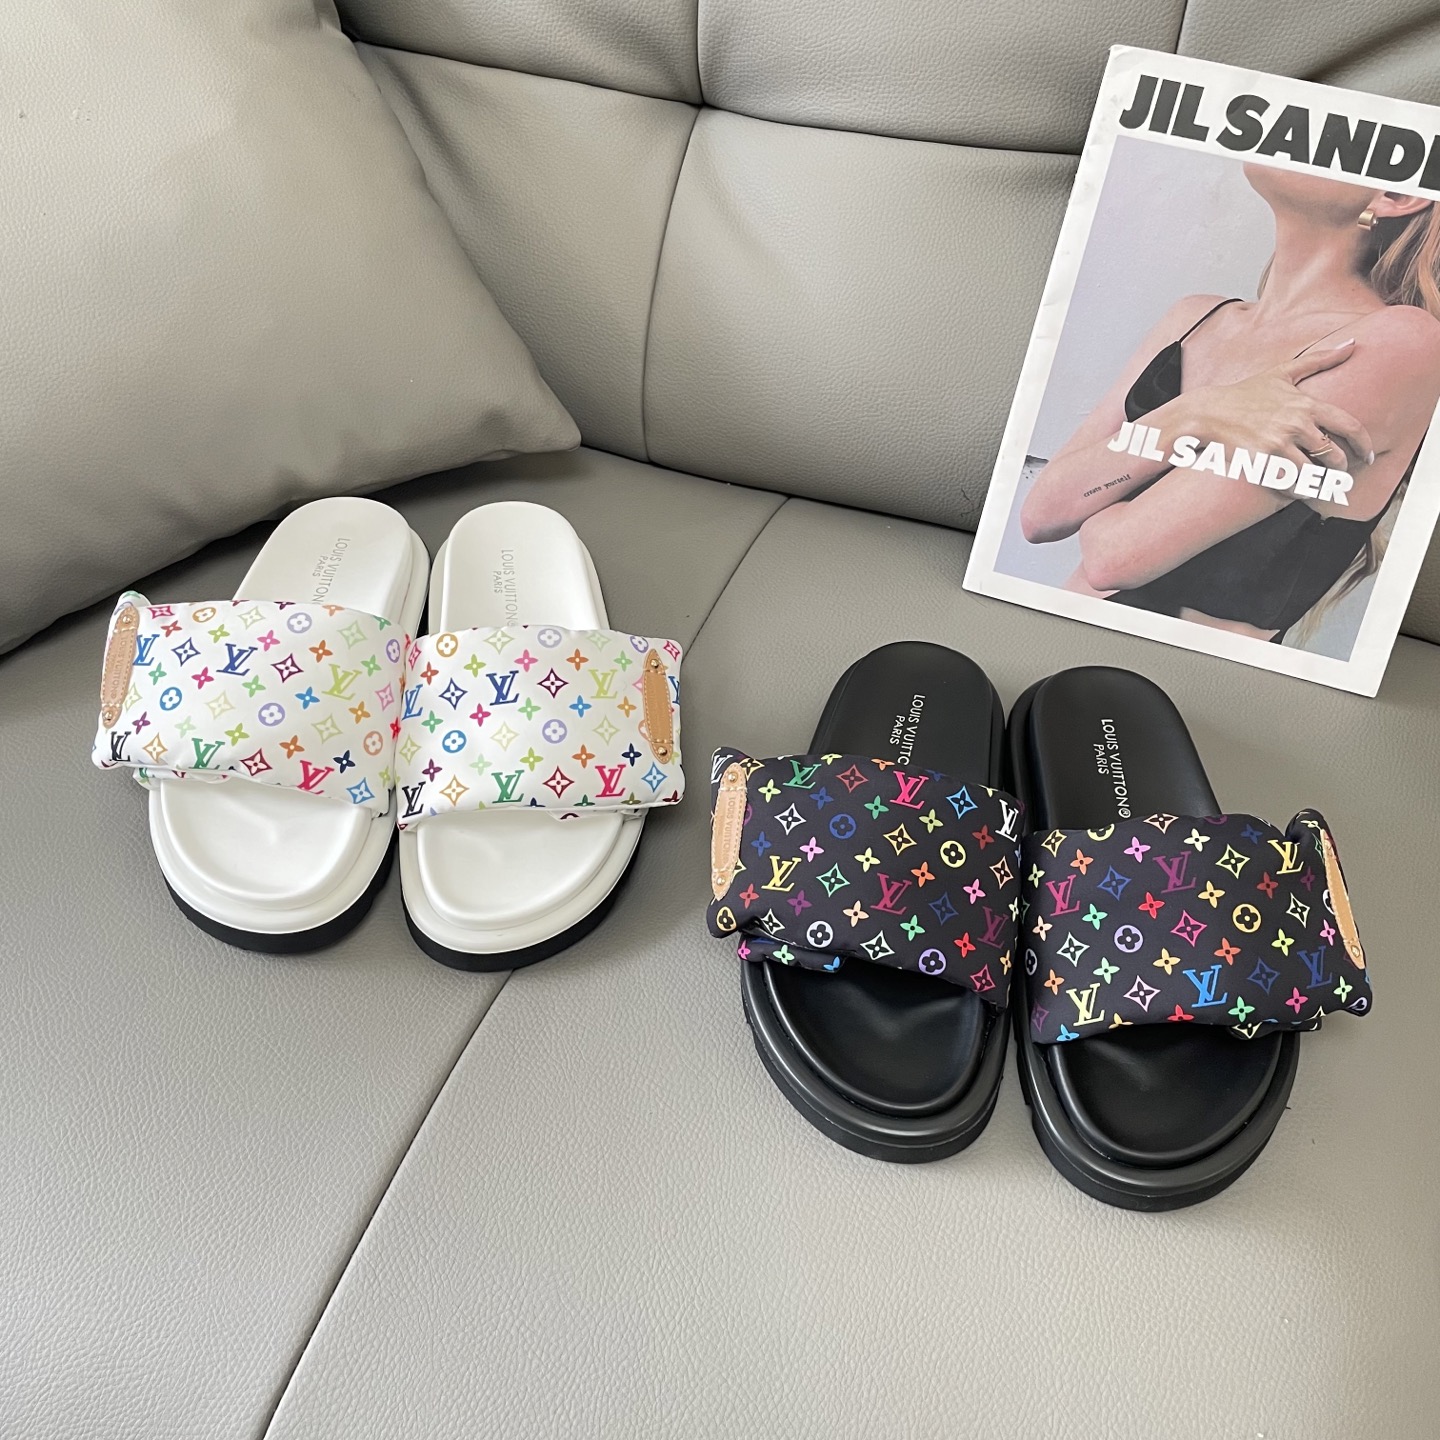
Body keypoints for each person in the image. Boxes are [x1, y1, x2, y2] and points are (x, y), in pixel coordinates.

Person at [1020, 164, 1440, 645]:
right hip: (1050, 632)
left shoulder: (1403, 342)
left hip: (1174, 669)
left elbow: (1111, 557)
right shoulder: (1196, 315)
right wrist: (1198, 412)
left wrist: (1094, 483)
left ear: (1395, 197)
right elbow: (1040, 515)